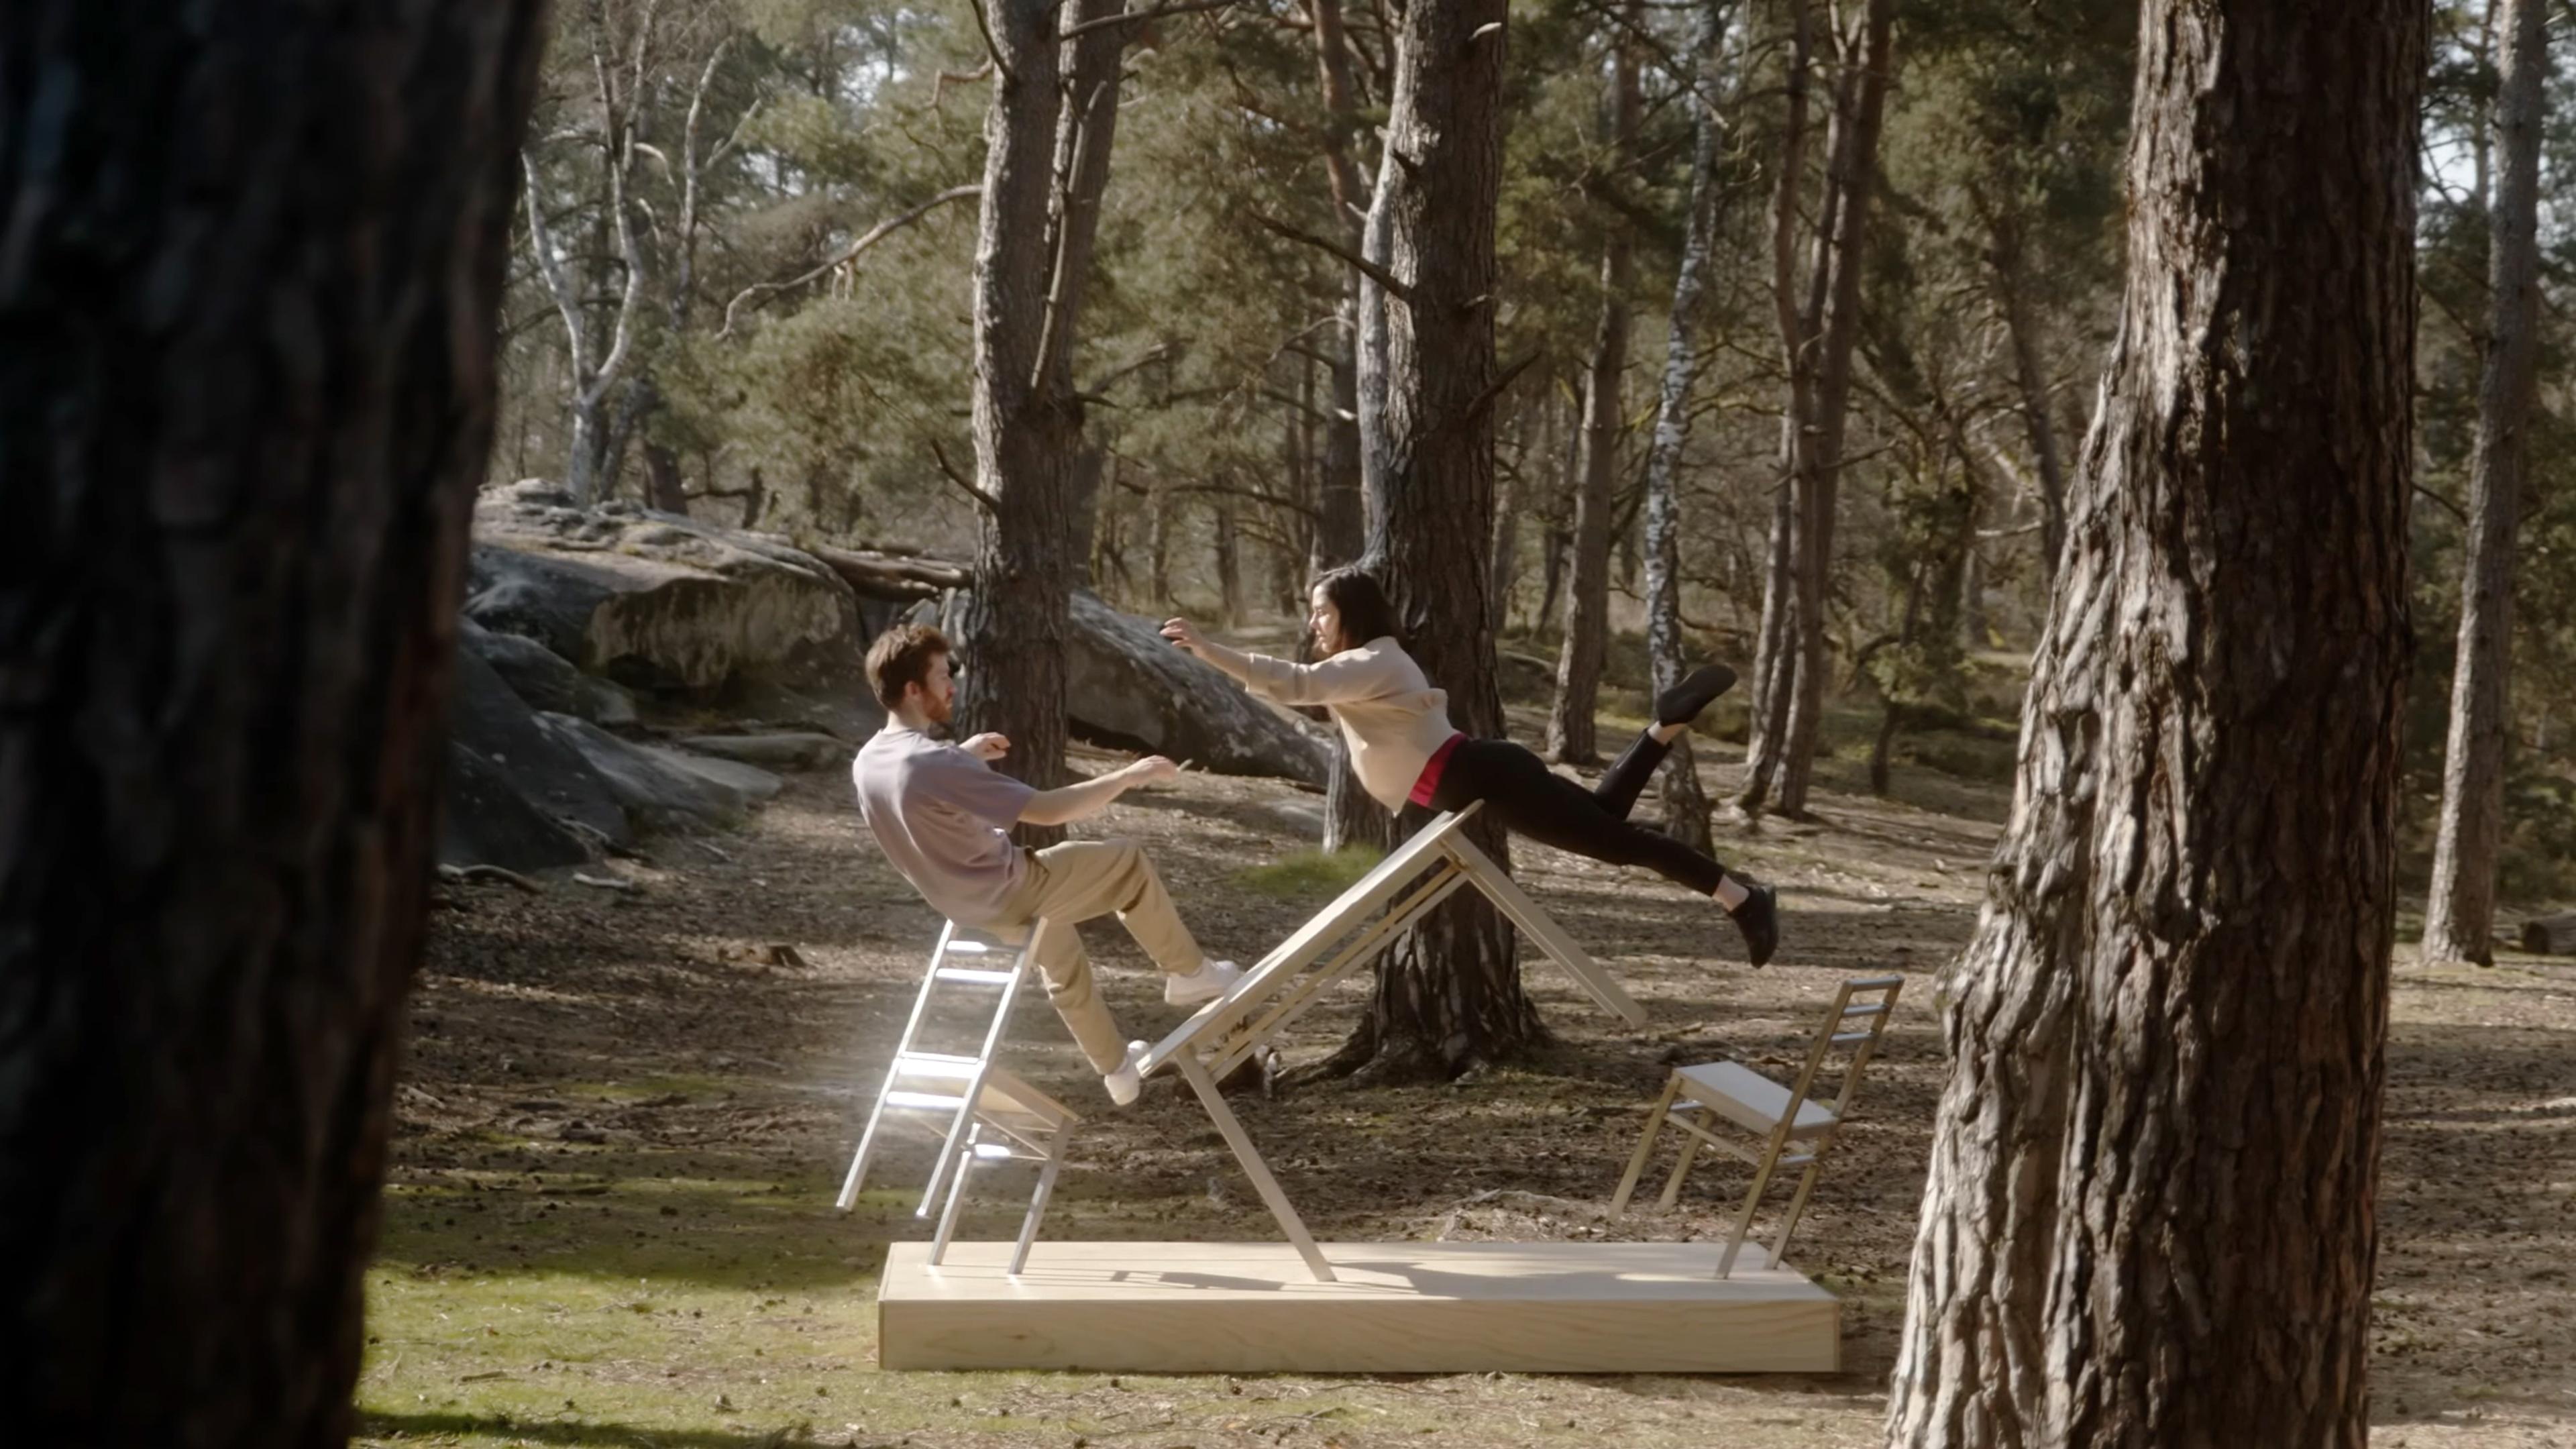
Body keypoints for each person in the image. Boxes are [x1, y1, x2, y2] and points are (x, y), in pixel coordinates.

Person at [1161, 568, 1780, 965]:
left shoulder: (1375, 658)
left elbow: (1295, 684)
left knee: (1620, 843)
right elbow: (1313, 693)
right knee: (1605, 821)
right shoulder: (1367, 668)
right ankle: (1663, 727)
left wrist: (1207, 648)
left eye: (1321, 611)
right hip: (1482, 772)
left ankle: (1743, 898)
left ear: (1353, 612)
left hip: (1481, 775)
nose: (1313, 623)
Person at [851, 623, 1242, 1105]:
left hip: (964, 905)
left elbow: (922, 795)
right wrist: (1127, 776)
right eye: (940, 675)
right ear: (913, 689)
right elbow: (1048, 810)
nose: (952, 683)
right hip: (1009, 886)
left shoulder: (870, 760)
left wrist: (966, 754)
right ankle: (1189, 973)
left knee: (1061, 958)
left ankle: (1116, 1069)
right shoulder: (933, 764)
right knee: (1127, 864)